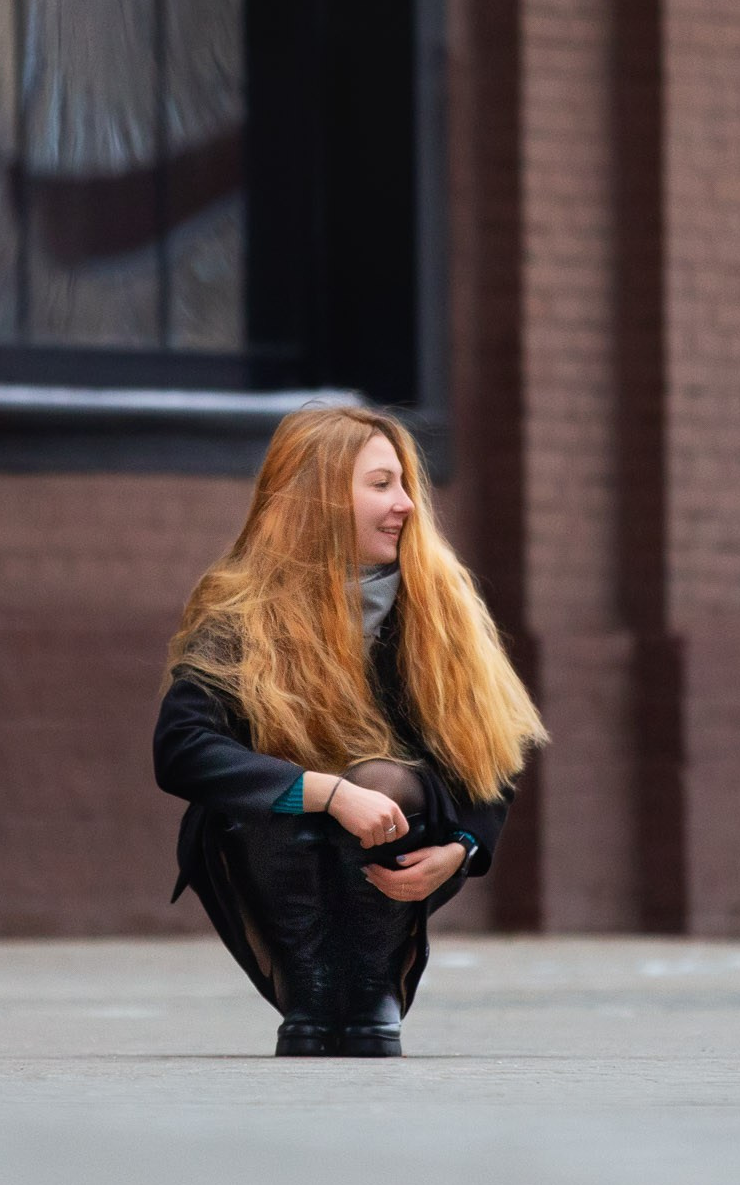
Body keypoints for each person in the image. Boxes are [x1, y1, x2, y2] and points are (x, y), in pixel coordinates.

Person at [153, 404, 546, 1056]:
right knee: (296, 791)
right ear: (323, 497)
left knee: (384, 777)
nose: (407, 505)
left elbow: (493, 752)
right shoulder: (243, 611)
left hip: (406, 826)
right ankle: (310, 991)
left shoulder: (440, 603)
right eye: (382, 484)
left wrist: (466, 848)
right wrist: (328, 794)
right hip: (274, 844)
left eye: (406, 485)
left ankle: (371, 992)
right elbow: (181, 749)